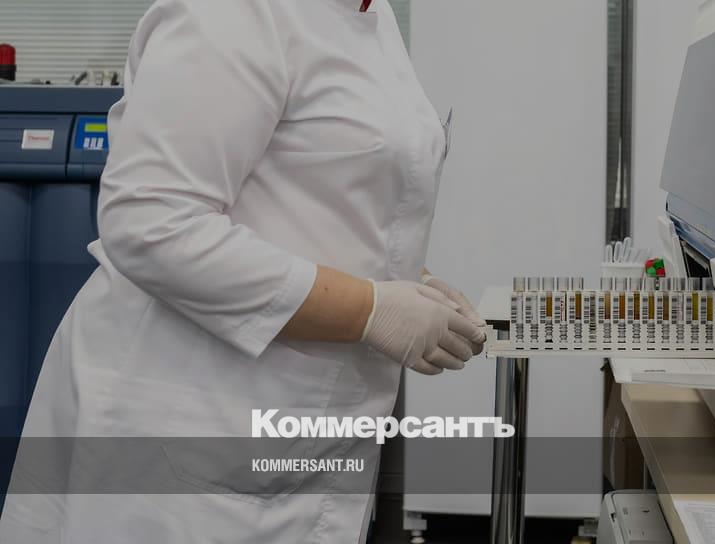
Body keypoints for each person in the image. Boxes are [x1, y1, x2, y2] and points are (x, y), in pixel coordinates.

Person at [0, 0, 485, 542]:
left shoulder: (372, 15)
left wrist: (409, 281)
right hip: (188, 429)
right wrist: (369, 308)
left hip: (294, 431)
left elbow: (324, 189)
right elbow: (152, 222)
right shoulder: (234, 12)